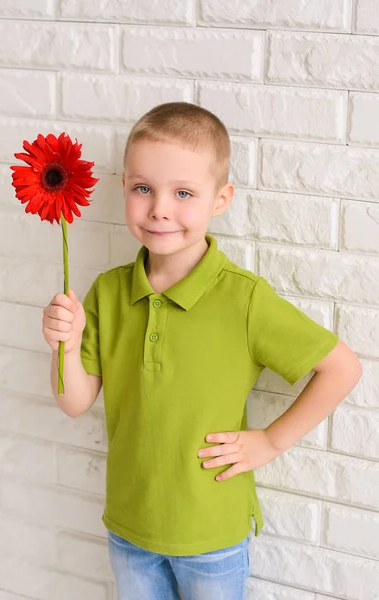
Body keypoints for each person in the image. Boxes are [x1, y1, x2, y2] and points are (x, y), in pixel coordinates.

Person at [42, 102, 363, 600]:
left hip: (212, 537)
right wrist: (63, 345)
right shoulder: (106, 292)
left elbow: (341, 368)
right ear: (123, 186)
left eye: (183, 193)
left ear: (221, 198)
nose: (159, 209)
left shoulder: (243, 298)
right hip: (129, 530)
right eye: (142, 188)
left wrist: (271, 442)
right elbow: (74, 401)